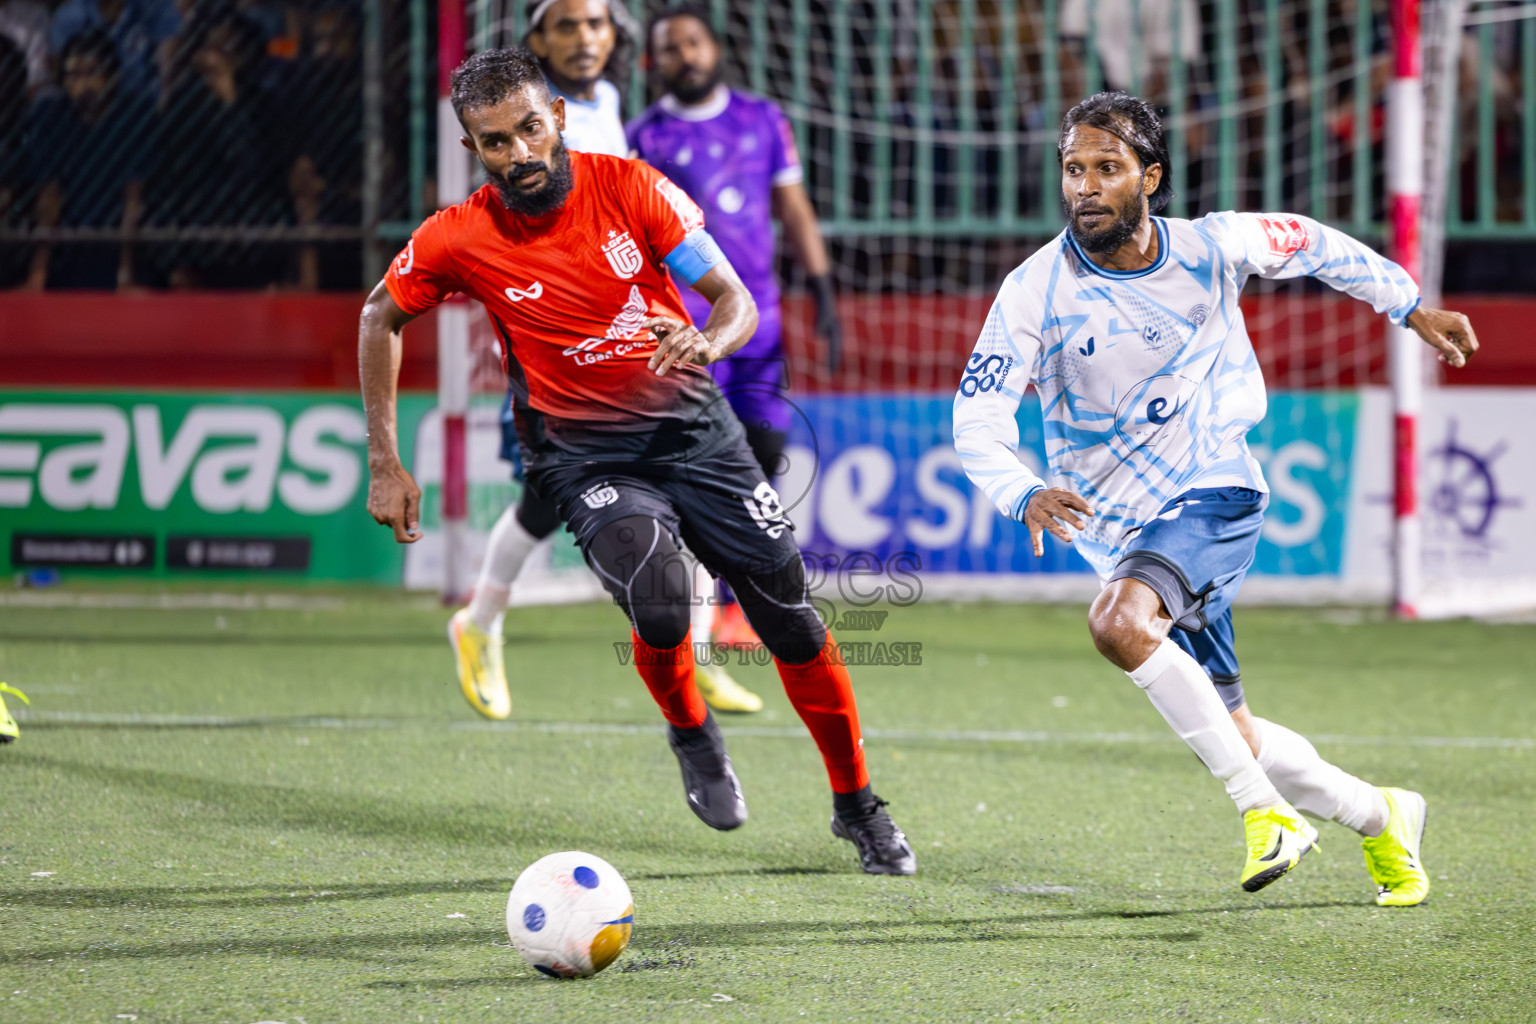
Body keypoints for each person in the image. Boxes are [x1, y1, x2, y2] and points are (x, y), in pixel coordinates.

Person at [362, 48, 915, 875]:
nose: (519, 154)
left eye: (530, 129)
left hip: (700, 437)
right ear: (472, 146)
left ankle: (857, 805)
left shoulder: (632, 188)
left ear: (556, 115)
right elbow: (380, 317)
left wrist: (708, 338)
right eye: (495, 142)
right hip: (582, 457)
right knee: (657, 603)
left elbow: (734, 302)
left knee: (790, 616)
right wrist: (386, 460)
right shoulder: (460, 234)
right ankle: (693, 733)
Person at [954, 91, 1477, 903]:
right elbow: (978, 416)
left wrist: (1406, 303)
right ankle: (1382, 814)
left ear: (1149, 176)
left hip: (1214, 489)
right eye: (1072, 170)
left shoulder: (1213, 246)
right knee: (1234, 733)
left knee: (1118, 624)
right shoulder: (1034, 290)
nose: (1085, 187)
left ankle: (1264, 816)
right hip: (1123, 531)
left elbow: (1313, 244)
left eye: (1106, 167)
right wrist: (1021, 491)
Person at [451, 0, 764, 718]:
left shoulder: (608, 104)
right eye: (566, 25)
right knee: (540, 504)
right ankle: (479, 622)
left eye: (596, 24)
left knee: (689, 495)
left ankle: (702, 655)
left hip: (637, 346)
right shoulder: (524, 123)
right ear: (537, 40)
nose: (584, 38)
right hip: (563, 355)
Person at [629, 4, 843, 650]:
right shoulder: (643, 136)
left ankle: (745, 602)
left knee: (768, 453)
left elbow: (794, 208)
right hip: (688, 327)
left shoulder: (762, 119)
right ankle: (709, 602)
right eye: (671, 48)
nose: (685, 56)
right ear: (654, 62)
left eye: (693, 43)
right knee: (704, 461)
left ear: (714, 48)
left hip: (762, 319)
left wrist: (823, 286)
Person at [24, 28, 156, 290]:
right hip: (68, 240)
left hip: (117, 237)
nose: (82, 85)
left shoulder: (133, 115)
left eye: (91, 73)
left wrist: (125, 272)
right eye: (73, 76)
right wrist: (39, 273)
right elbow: (49, 194)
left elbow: (133, 195)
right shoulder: (51, 115)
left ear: (112, 76)